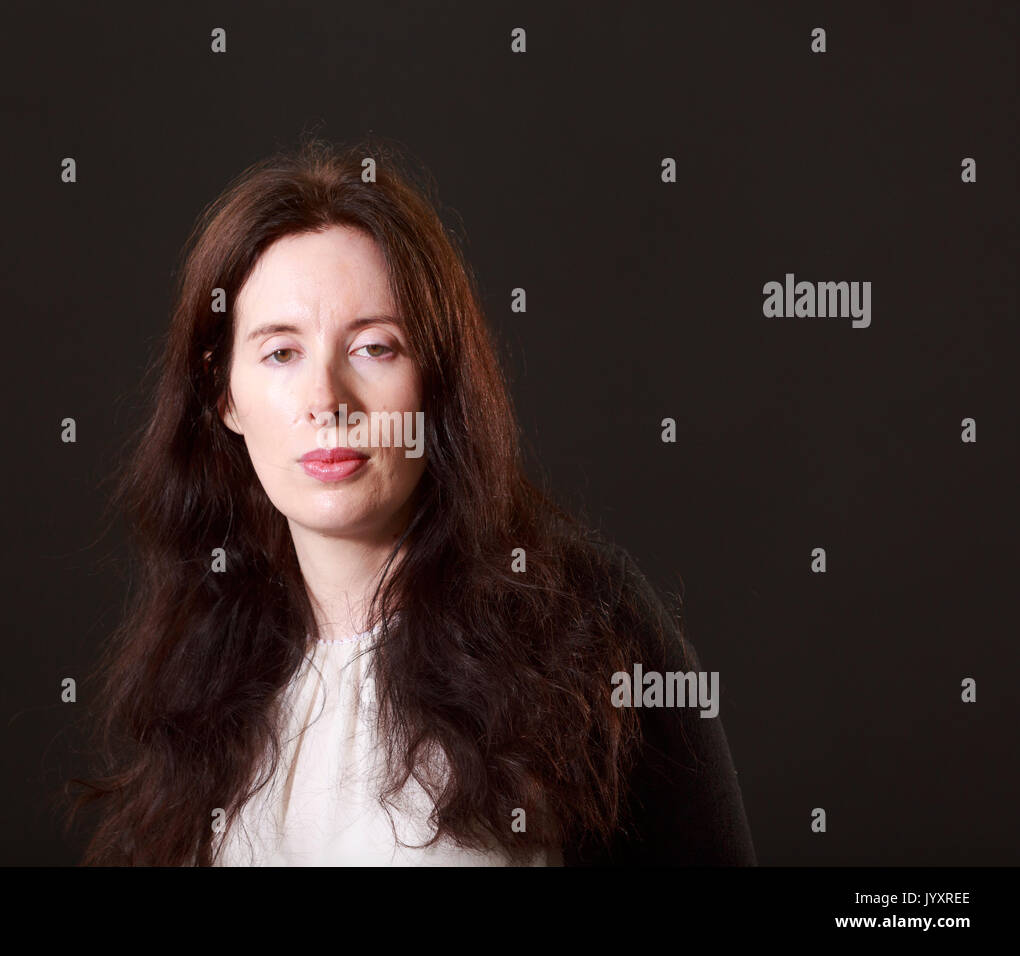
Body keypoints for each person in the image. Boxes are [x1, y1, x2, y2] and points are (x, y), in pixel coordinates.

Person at [67, 135, 755, 866]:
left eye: (375, 347)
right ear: (223, 394)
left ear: (436, 383)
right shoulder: (201, 664)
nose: (327, 400)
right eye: (281, 352)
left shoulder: (584, 622)